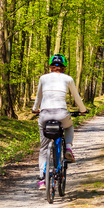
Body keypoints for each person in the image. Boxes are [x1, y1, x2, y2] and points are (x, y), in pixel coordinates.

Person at [32, 54, 88, 189]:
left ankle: (42, 178)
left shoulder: (43, 78)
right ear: (63, 68)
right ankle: (68, 147)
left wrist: (35, 109)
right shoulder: (68, 79)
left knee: (44, 147)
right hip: (62, 114)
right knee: (68, 126)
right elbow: (76, 96)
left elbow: (39, 96)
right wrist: (83, 110)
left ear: (50, 67)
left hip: (45, 114)